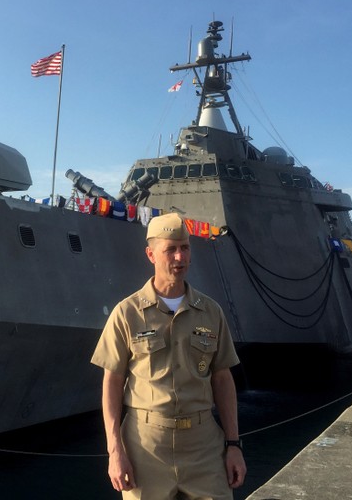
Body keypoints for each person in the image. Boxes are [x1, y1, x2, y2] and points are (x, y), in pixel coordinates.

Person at [91, 212, 246, 499]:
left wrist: (233, 444)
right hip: (145, 448)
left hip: (204, 447)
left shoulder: (211, 312)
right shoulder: (127, 313)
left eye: (184, 248)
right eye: (170, 249)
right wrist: (115, 451)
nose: (179, 257)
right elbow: (112, 383)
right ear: (151, 254)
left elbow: (223, 379)